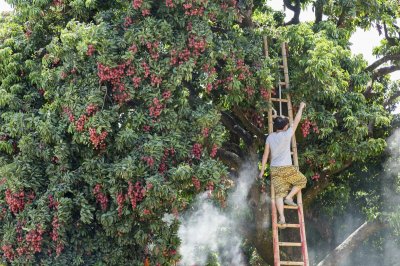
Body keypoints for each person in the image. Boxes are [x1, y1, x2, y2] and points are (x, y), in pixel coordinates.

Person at [258, 102, 307, 225]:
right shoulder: (287, 134)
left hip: (274, 169)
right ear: (285, 127)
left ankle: (282, 217)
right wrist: (300, 107)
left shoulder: (269, 137)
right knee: (302, 181)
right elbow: (296, 120)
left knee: (279, 194)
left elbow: (265, 155)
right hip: (286, 167)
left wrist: (262, 170)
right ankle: (290, 197)